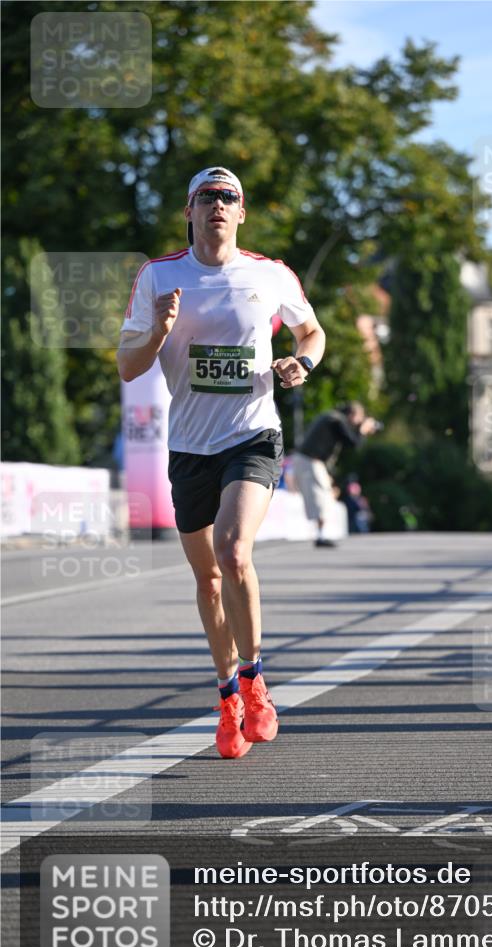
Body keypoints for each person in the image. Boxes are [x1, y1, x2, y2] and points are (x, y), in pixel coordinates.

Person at [117, 165, 326, 758]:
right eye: (206, 195)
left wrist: (300, 364)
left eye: (227, 196)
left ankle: (256, 678)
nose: (217, 203)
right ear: (189, 210)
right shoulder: (159, 277)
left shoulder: (270, 274)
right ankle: (227, 693)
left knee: (234, 552)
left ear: (241, 212)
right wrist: (158, 331)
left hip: (252, 434)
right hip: (189, 447)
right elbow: (128, 366)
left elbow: (312, 332)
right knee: (207, 579)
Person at [292, 402, 379, 547]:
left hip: (311, 461)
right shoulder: (337, 420)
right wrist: (363, 430)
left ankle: (321, 534)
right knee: (322, 496)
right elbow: (353, 443)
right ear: (353, 414)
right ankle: (320, 536)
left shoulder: (331, 418)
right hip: (310, 461)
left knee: (325, 495)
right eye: (360, 417)